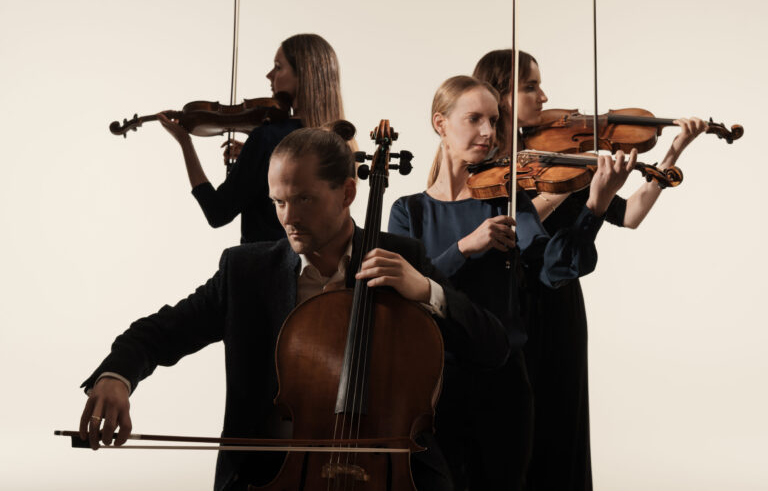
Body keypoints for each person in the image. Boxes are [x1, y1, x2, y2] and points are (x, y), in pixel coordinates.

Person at [77, 122, 510, 491]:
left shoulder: (403, 257)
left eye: (303, 199)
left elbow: (493, 347)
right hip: (272, 474)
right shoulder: (247, 271)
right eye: (278, 202)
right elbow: (161, 332)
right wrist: (116, 378)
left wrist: (426, 290)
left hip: (394, 474)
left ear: (346, 193)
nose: (287, 217)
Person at [473, 49, 707, 490]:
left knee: (562, 423)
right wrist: (565, 179)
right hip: (505, 303)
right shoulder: (488, 164)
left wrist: (673, 150)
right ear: (499, 96)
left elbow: (631, 213)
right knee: (509, 434)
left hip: (559, 303)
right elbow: (517, 221)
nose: (544, 96)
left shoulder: (564, 159)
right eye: (530, 86)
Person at [387, 75, 636, 490]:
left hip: (503, 381)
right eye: (474, 119)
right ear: (440, 123)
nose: (488, 132)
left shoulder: (508, 200)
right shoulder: (408, 211)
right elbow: (407, 290)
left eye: (494, 120)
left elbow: (555, 268)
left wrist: (596, 204)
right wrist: (467, 246)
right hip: (432, 385)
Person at [159, 33, 346, 243]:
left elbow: (217, 212)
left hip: (261, 266)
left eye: (278, 67)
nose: (269, 75)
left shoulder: (267, 138)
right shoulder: (339, 139)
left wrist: (185, 143)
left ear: (303, 74)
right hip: (310, 269)